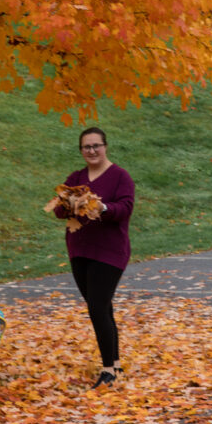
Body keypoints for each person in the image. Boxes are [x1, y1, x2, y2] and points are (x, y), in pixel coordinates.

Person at [55, 127, 135, 388]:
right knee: (102, 306)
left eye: (96, 146)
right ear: (81, 150)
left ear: (105, 146)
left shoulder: (120, 177)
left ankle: (108, 369)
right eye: (86, 147)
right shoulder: (77, 177)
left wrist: (102, 207)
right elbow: (58, 210)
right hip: (80, 251)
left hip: (109, 252)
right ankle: (116, 362)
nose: (91, 151)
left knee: (97, 307)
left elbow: (125, 208)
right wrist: (66, 203)